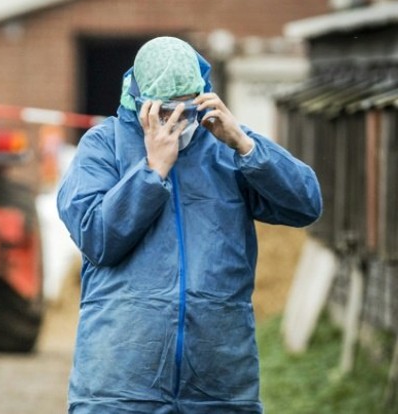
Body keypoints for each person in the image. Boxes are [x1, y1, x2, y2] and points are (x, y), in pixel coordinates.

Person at [56, 36, 322, 413]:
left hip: (218, 387)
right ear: (138, 99)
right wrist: (152, 171)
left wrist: (246, 146)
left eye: (188, 109)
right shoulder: (104, 146)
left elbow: (306, 205)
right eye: (165, 110)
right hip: (121, 387)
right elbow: (97, 237)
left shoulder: (226, 148)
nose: (178, 122)